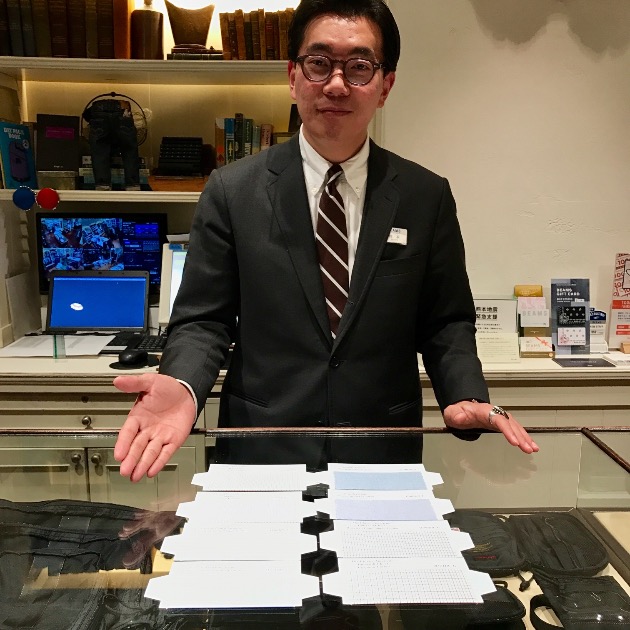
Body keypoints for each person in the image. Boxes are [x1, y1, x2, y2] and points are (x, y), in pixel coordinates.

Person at [113, 0, 538, 483]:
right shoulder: (232, 190)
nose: (336, 84)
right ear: (293, 76)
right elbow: (204, 320)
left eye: (359, 67)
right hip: (262, 449)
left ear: (385, 86)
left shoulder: (425, 196)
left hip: (381, 450)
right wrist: (185, 384)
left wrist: (464, 393)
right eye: (319, 63)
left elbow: (446, 321)